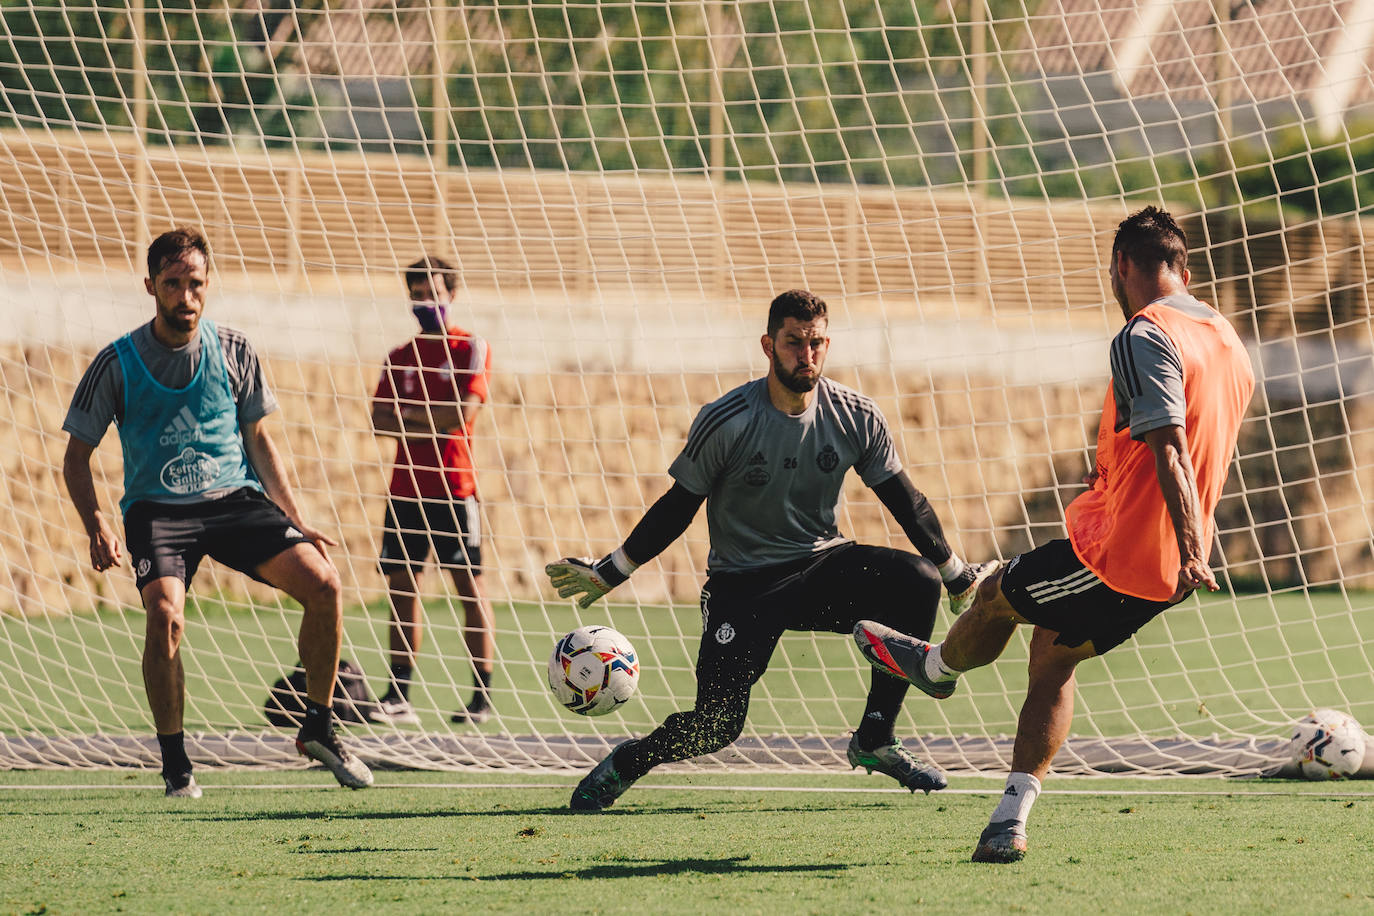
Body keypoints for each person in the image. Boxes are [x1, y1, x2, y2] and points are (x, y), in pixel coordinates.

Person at [855, 206, 1255, 862]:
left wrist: (1183, 542)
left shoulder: (1143, 335)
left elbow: (1173, 448)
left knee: (993, 594)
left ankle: (933, 668)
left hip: (1117, 555)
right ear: (1184, 268)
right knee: (1053, 654)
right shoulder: (1228, 342)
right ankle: (1009, 820)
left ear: (1122, 266)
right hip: (1165, 573)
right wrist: (1192, 547)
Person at [546, 289, 997, 811]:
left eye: (817, 343)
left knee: (916, 581)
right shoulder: (728, 419)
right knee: (715, 727)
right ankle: (629, 761)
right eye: (793, 343)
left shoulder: (855, 414)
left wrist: (955, 573)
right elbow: (678, 505)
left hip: (821, 566)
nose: (807, 356)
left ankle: (875, 736)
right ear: (768, 345)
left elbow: (904, 499)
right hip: (743, 584)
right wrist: (610, 571)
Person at [61, 227, 373, 796]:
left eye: (195, 284)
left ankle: (320, 727)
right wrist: (98, 524)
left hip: (234, 502)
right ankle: (177, 765)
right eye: (173, 284)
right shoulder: (117, 362)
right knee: (165, 619)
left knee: (325, 584)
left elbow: (258, 439)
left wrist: (295, 516)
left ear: (209, 285)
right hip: (158, 512)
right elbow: (76, 458)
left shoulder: (235, 349)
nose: (186, 296)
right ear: (150, 285)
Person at [369, 256, 495, 725]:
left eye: (433, 294)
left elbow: (461, 416)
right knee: (402, 589)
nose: (426, 302)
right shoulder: (398, 356)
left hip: (455, 491)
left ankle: (481, 697)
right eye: (417, 294)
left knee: (469, 589)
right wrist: (428, 422)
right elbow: (379, 420)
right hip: (404, 492)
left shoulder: (470, 348)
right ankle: (398, 694)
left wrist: (410, 420)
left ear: (452, 295)